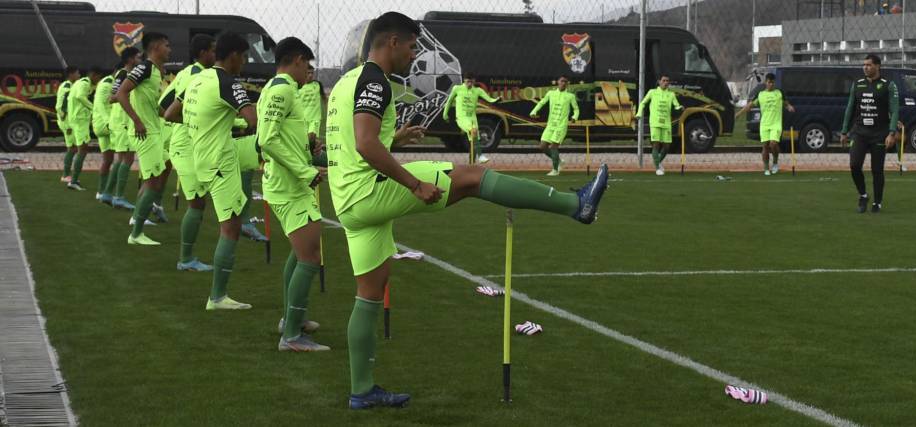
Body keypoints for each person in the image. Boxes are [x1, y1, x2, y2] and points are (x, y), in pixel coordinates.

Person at [326, 12, 609, 409]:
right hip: (369, 191)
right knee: (473, 177)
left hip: (348, 204)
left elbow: (353, 139)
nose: (413, 56)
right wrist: (414, 183)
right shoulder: (375, 79)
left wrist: (395, 135)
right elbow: (364, 145)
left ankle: (361, 391)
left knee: (369, 294)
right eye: (411, 47)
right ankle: (576, 205)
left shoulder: (344, 83)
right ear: (391, 42)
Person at [164, 32, 257, 310]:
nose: (244, 63)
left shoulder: (197, 79)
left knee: (221, 213)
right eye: (244, 57)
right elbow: (253, 121)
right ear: (233, 56)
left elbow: (169, 114)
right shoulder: (228, 82)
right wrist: (241, 121)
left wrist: (209, 125)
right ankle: (218, 297)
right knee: (230, 227)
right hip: (219, 161)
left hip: (201, 157)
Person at [257, 37, 329, 351]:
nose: (309, 73)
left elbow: (279, 137)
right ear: (297, 60)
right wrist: (305, 171)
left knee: (300, 254)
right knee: (310, 257)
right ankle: (292, 337)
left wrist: (307, 145)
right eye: (308, 66)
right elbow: (267, 140)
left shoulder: (280, 88)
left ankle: (292, 320)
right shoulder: (283, 89)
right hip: (290, 187)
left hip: (289, 184)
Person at [158, 34, 217, 271]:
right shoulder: (198, 75)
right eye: (213, 50)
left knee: (199, 201)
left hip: (185, 143)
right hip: (186, 146)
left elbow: (162, 102)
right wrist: (192, 121)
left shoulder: (185, 73)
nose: (216, 55)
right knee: (196, 203)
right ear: (203, 53)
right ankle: (186, 259)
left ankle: (188, 257)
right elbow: (168, 112)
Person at [117, 32, 172, 244]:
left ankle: (137, 222)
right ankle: (136, 233)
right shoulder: (145, 68)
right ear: (156, 47)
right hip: (144, 132)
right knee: (152, 181)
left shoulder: (156, 72)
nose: (170, 49)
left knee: (156, 177)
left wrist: (174, 116)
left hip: (153, 131)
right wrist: (137, 121)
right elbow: (121, 94)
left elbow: (153, 106)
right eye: (166, 45)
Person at [840, 55, 899, 214]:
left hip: (879, 133)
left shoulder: (888, 85)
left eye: (869, 65)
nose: (865, 67)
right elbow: (850, 108)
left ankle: (877, 203)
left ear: (878, 66)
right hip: (859, 132)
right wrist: (845, 131)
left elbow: (894, 111)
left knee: (877, 170)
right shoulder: (857, 85)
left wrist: (892, 132)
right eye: (864, 65)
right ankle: (863, 195)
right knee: (854, 165)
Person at [103, 47, 142, 210]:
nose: (140, 60)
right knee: (128, 158)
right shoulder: (124, 74)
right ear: (131, 59)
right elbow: (112, 98)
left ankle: (108, 193)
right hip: (123, 121)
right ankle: (119, 197)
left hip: (121, 121)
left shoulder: (125, 74)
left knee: (122, 158)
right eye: (138, 57)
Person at [735, 73, 795, 175]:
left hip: (776, 123)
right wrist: (738, 114)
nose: (770, 84)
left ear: (774, 83)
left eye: (772, 82)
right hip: (764, 124)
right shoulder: (760, 94)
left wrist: (789, 107)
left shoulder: (779, 92)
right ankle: (766, 168)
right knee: (765, 146)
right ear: (765, 82)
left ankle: (775, 162)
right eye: (768, 82)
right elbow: (749, 105)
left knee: (773, 144)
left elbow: (786, 103)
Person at [441, 72, 501, 164]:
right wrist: (445, 114)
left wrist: (496, 99)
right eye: (467, 81)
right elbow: (449, 101)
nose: (469, 84)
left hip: (472, 118)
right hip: (462, 117)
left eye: (471, 82)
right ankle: (480, 156)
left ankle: (471, 164)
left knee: (474, 139)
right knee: (473, 132)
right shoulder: (457, 88)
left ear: (474, 81)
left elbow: (489, 99)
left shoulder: (478, 90)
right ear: (464, 81)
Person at [530, 75, 579, 176]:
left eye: (565, 81)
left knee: (553, 147)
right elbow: (542, 102)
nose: (563, 83)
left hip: (561, 126)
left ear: (567, 84)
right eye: (562, 81)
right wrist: (534, 111)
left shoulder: (570, 96)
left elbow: (576, 109)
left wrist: (575, 117)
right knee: (543, 146)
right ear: (558, 82)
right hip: (550, 125)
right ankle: (559, 161)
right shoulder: (551, 93)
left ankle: (555, 170)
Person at [636, 75, 683, 176]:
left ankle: (658, 161)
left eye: (667, 81)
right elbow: (643, 103)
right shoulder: (652, 92)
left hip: (666, 123)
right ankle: (657, 168)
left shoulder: (671, 95)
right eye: (664, 80)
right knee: (656, 144)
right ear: (659, 82)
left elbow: (677, 105)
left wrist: (680, 108)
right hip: (655, 122)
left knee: (667, 146)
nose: (666, 82)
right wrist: (639, 113)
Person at [66, 67, 102, 190]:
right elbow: (80, 97)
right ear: (92, 74)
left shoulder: (81, 83)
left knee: (79, 149)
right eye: (98, 77)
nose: (98, 80)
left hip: (76, 119)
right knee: (83, 149)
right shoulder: (85, 83)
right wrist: (94, 108)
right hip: (80, 120)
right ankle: (73, 181)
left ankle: (73, 179)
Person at [93, 67, 116, 202]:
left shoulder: (105, 82)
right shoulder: (107, 83)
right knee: (123, 158)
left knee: (108, 160)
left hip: (101, 125)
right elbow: (102, 105)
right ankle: (109, 192)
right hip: (105, 126)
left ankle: (101, 191)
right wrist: (108, 122)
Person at [56, 67, 79, 184]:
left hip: (68, 123)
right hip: (68, 124)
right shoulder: (67, 87)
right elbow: (61, 107)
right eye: (77, 73)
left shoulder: (66, 85)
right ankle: (65, 175)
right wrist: (67, 125)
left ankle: (67, 174)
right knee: (72, 148)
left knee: (73, 148)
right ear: (71, 74)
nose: (79, 75)